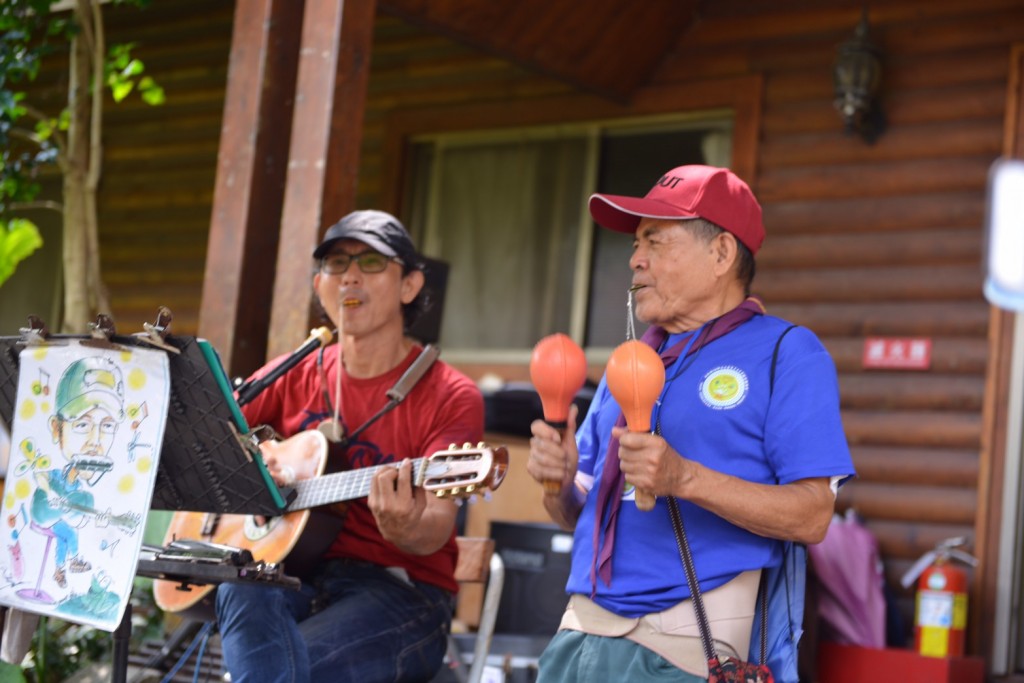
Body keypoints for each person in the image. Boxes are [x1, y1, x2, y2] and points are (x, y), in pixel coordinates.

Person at [526, 165, 856, 683]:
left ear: (721, 253)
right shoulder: (629, 361)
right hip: (574, 640)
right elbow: (575, 514)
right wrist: (558, 482)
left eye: (655, 241)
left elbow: (813, 516)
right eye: (636, 244)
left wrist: (684, 479)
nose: (635, 259)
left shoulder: (786, 353)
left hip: (684, 654)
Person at [215, 210, 485, 683]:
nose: (350, 276)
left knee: (295, 672)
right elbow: (211, 434)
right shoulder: (296, 370)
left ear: (410, 286)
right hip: (293, 573)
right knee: (241, 585)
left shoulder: (451, 395)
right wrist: (254, 479)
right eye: (336, 264)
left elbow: (435, 530)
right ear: (319, 284)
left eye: (371, 262)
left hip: (400, 592)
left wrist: (402, 528)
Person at [33, 356, 128, 587]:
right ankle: (72, 562)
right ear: (57, 428)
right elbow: (40, 476)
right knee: (68, 535)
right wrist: (51, 494)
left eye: (107, 426)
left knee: (67, 536)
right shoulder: (56, 474)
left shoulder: (80, 491)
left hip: (64, 523)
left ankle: (60, 569)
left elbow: (80, 516)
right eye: (82, 424)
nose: (95, 442)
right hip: (43, 518)